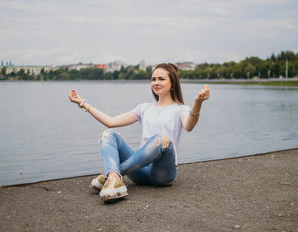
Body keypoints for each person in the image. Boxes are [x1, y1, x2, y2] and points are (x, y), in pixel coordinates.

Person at [68, 63, 210, 203]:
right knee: (108, 134)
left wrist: (198, 103)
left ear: (173, 83)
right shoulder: (144, 108)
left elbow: (189, 126)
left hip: (163, 174)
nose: (156, 83)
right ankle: (114, 179)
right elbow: (111, 121)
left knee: (162, 138)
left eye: (161, 79)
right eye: (153, 79)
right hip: (139, 172)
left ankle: (112, 174)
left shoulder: (181, 109)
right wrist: (82, 103)